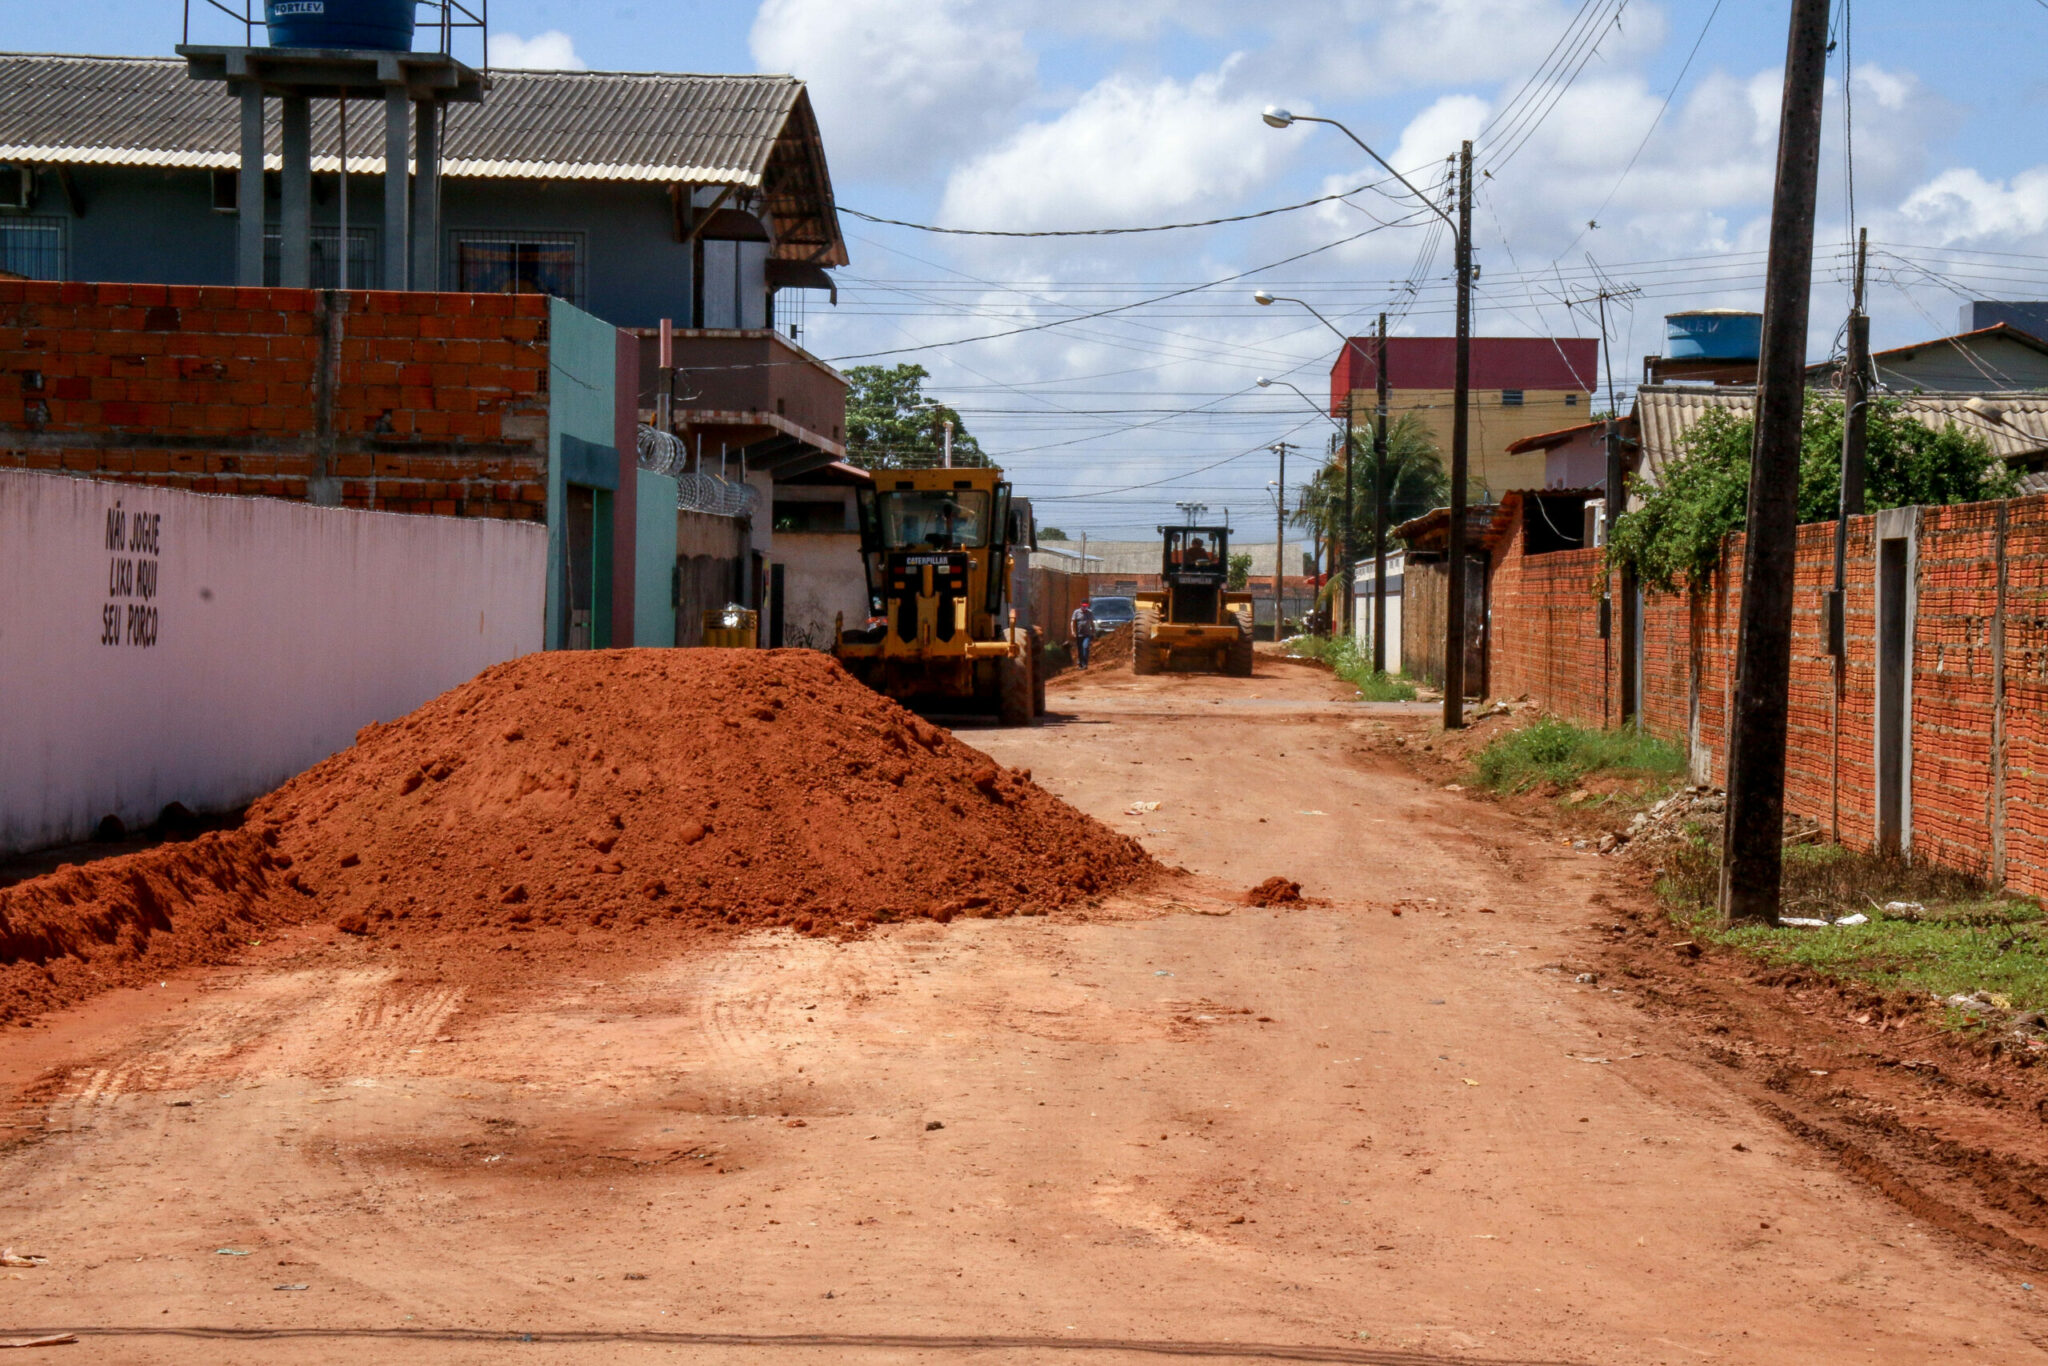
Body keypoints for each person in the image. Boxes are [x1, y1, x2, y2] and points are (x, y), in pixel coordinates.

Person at [1070, 599, 1096, 669]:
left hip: (1087, 634)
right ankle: (1081, 664)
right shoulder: (1076, 612)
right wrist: (1073, 631)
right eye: (1083, 606)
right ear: (1081, 605)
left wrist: (1093, 632)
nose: (1085, 607)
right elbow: (1072, 622)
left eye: (1086, 606)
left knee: (1085, 647)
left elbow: (1092, 623)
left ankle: (1085, 664)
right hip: (1079, 635)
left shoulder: (1089, 613)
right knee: (1080, 649)